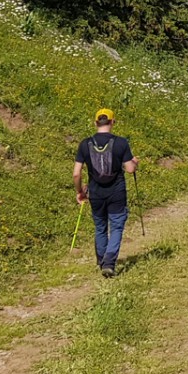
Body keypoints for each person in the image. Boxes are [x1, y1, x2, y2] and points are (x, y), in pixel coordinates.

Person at [74, 108, 138, 277]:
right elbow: (130, 169)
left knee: (100, 227)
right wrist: (134, 162)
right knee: (116, 227)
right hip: (116, 192)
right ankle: (109, 263)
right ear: (112, 122)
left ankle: (102, 260)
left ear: (96, 123)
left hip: (95, 193)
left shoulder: (84, 144)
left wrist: (80, 191)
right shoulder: (121, 143)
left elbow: (76, 173)